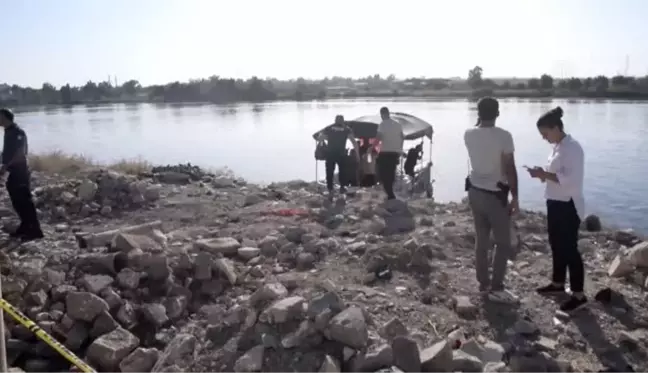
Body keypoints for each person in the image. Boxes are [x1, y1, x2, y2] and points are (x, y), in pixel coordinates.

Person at [526, 106, 586, 313]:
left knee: (569, 249)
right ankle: (558, 283)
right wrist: (542, 175)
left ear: (556, 127)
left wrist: (545, 174)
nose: (544, 138)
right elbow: (556, 177)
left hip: (568, 204)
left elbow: (571, 181)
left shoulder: (573, 148)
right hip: (554, 202)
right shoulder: (558, 147)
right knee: (556, 244)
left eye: (545, 133)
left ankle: (579, 295)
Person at [464, 97, 519, 303]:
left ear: (478, 113)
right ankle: (496, 286)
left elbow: (479, 131)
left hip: (475, 191)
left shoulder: (468, 134)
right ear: (497, 113)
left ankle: (482, 282)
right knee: (503, 242)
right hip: (495, 194)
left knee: (482, 238)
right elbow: (510, 168)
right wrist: (515, 197)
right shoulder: (504, 136)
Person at [0, 108, 44, 241]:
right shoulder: (8, 132)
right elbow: (7, 152)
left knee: (25, 201)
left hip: (19, 172)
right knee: (16, 201)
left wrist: (5, 167)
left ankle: (36, 230)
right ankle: (25, 226)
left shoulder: (18, 132)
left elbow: (20, 153)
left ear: (6, 118)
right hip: (11, 172)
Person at [317, 115, 360, 196]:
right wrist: (357, 155)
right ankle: (342, 187)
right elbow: (354, 142)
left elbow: (319, 138)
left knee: (329, 171)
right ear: (343, 121)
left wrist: (327, 138)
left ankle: (330, 189)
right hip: (341, 154)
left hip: (330, 153)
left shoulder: (329, 128)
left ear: (335, 120)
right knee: (342, 171)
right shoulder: (346, 129)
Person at [376, 107, 404, 200]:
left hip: (384, 152)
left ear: (382, 114)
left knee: (383, 174)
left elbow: (378, 138)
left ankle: (390, 194)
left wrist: (371, 148)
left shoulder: (382, 124)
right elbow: (402, 138)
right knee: (391, 173)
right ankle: (390, 193)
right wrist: (400, 149)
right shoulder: (398, 125)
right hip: (394, 153)